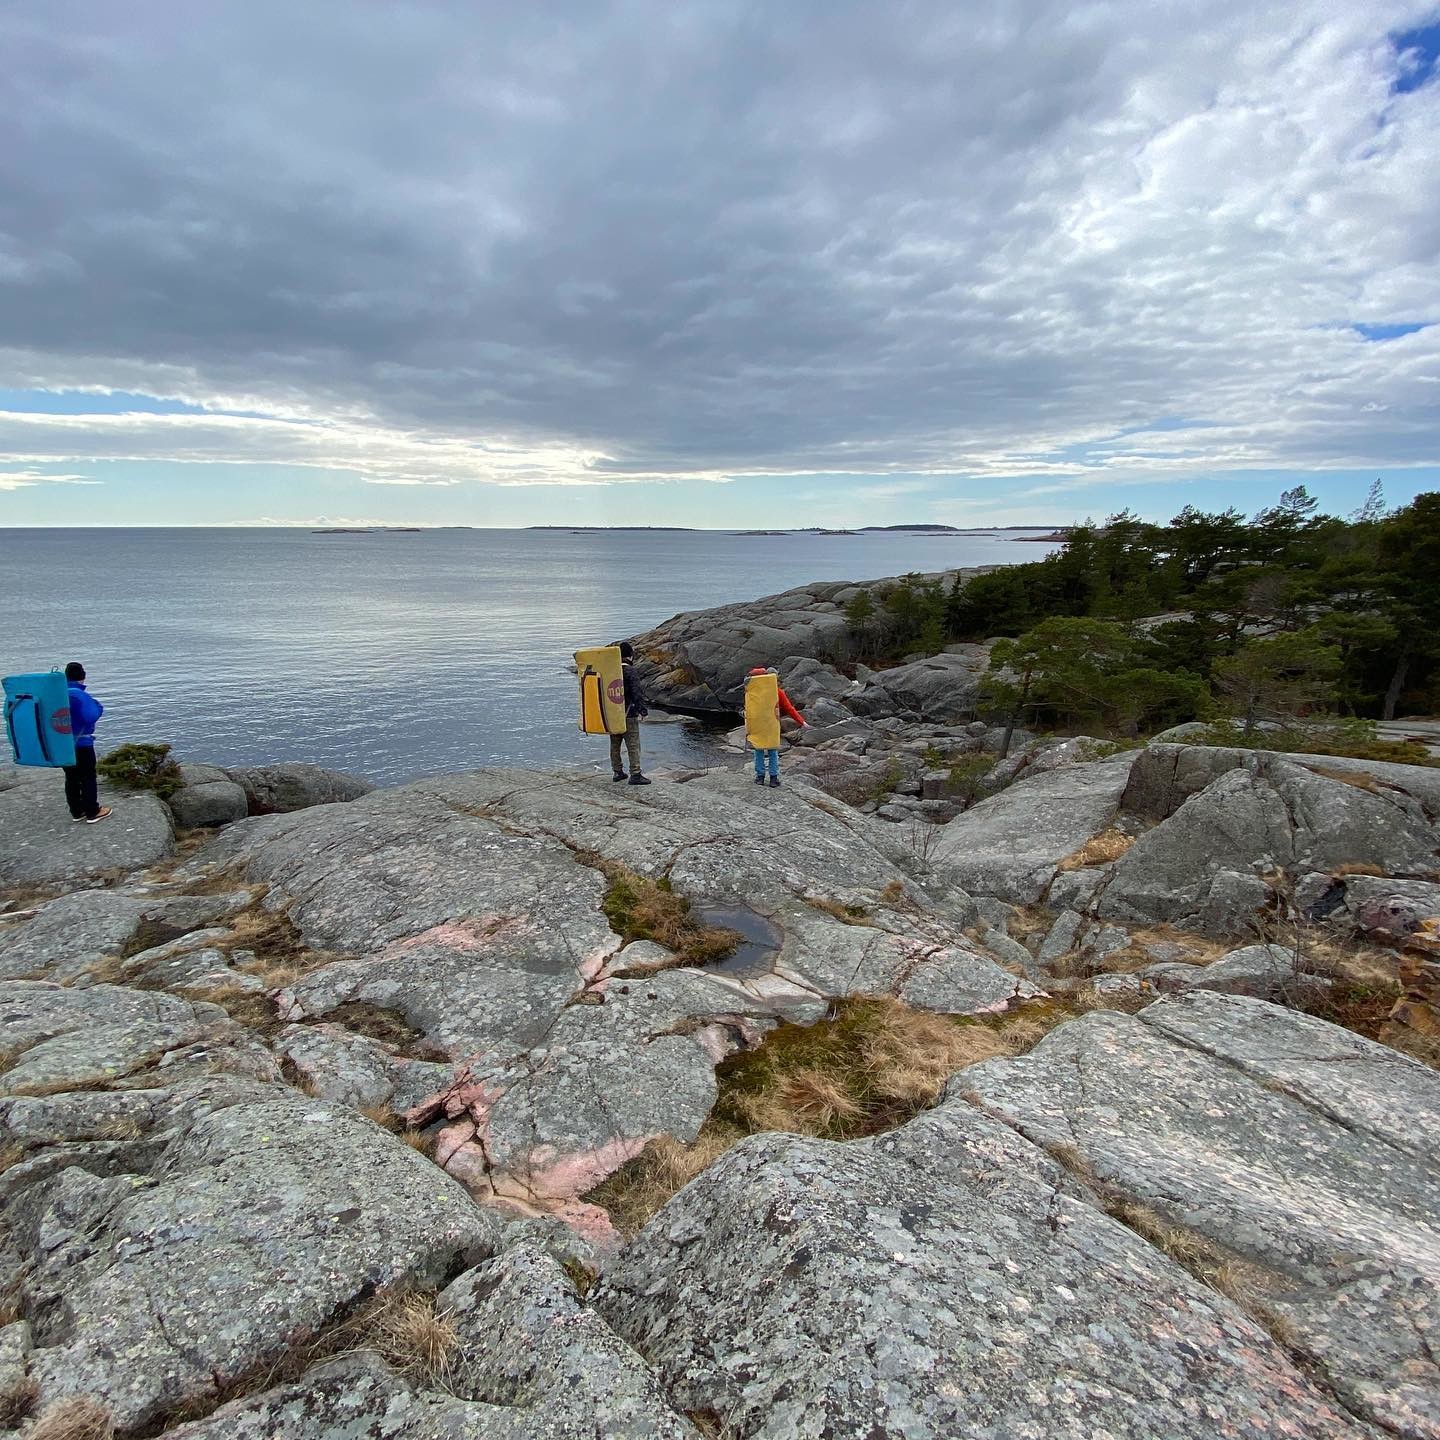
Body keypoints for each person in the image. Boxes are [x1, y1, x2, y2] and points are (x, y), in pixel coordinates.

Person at [63, 661, 111, 823]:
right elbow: (90, 716)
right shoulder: (78, 694)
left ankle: (76, 811)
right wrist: (98, 706)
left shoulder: (57, 695)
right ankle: (92, 811)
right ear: (82, 677)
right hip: (82, 743)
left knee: (71, 777)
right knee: (87, 776)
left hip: (63, 743)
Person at [746, 666, 806, 787]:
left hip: (758, 723)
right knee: (773, 750)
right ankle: (773, 778)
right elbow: (789, 708)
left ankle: (760, 777)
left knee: (759, 750)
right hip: (772, 723)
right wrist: (802, 721)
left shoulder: (755, 690)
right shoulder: (777, 692)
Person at [610, 641, 651, 786]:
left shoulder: (611, 670)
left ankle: (617, 772)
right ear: (630, 656)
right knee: (633, 744)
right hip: (629, 713)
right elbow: (636, 692)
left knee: (615, 743)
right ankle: (635, 774)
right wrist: (643, 711)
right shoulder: (630, 671)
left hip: (613, 713)